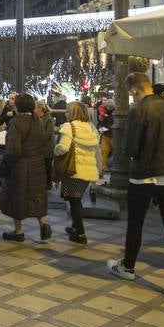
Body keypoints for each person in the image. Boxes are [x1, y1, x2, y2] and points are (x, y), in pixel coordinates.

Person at [109, 72, 164, 302]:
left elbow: (130, 148)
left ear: (135, 90)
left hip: (144, 175)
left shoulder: (139, 111)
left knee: (136, 223)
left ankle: (128, 267)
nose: (132, 98)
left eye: (131, 94)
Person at [0, 93, 54, 242]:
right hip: (37, 164)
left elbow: (13, 149)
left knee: (18, 196)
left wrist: (7, 162)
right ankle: (43, 224)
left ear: (19, 106)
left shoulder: (16, 122)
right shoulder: (37, 121)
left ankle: (18, 231)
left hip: (20, 166)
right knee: (34, 195)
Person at [56, 101, 102, 245]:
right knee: (77, 199)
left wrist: (55, 150)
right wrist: (99, 170)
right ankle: (75, 227)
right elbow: (98, 152)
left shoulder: (69, 127)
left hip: (74, 171)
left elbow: (63, 148)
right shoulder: (91, 128)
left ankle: (80, 234)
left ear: (73, 113)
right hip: (88, 172)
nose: (65, 113)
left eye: (68, 111)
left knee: (74, 201)